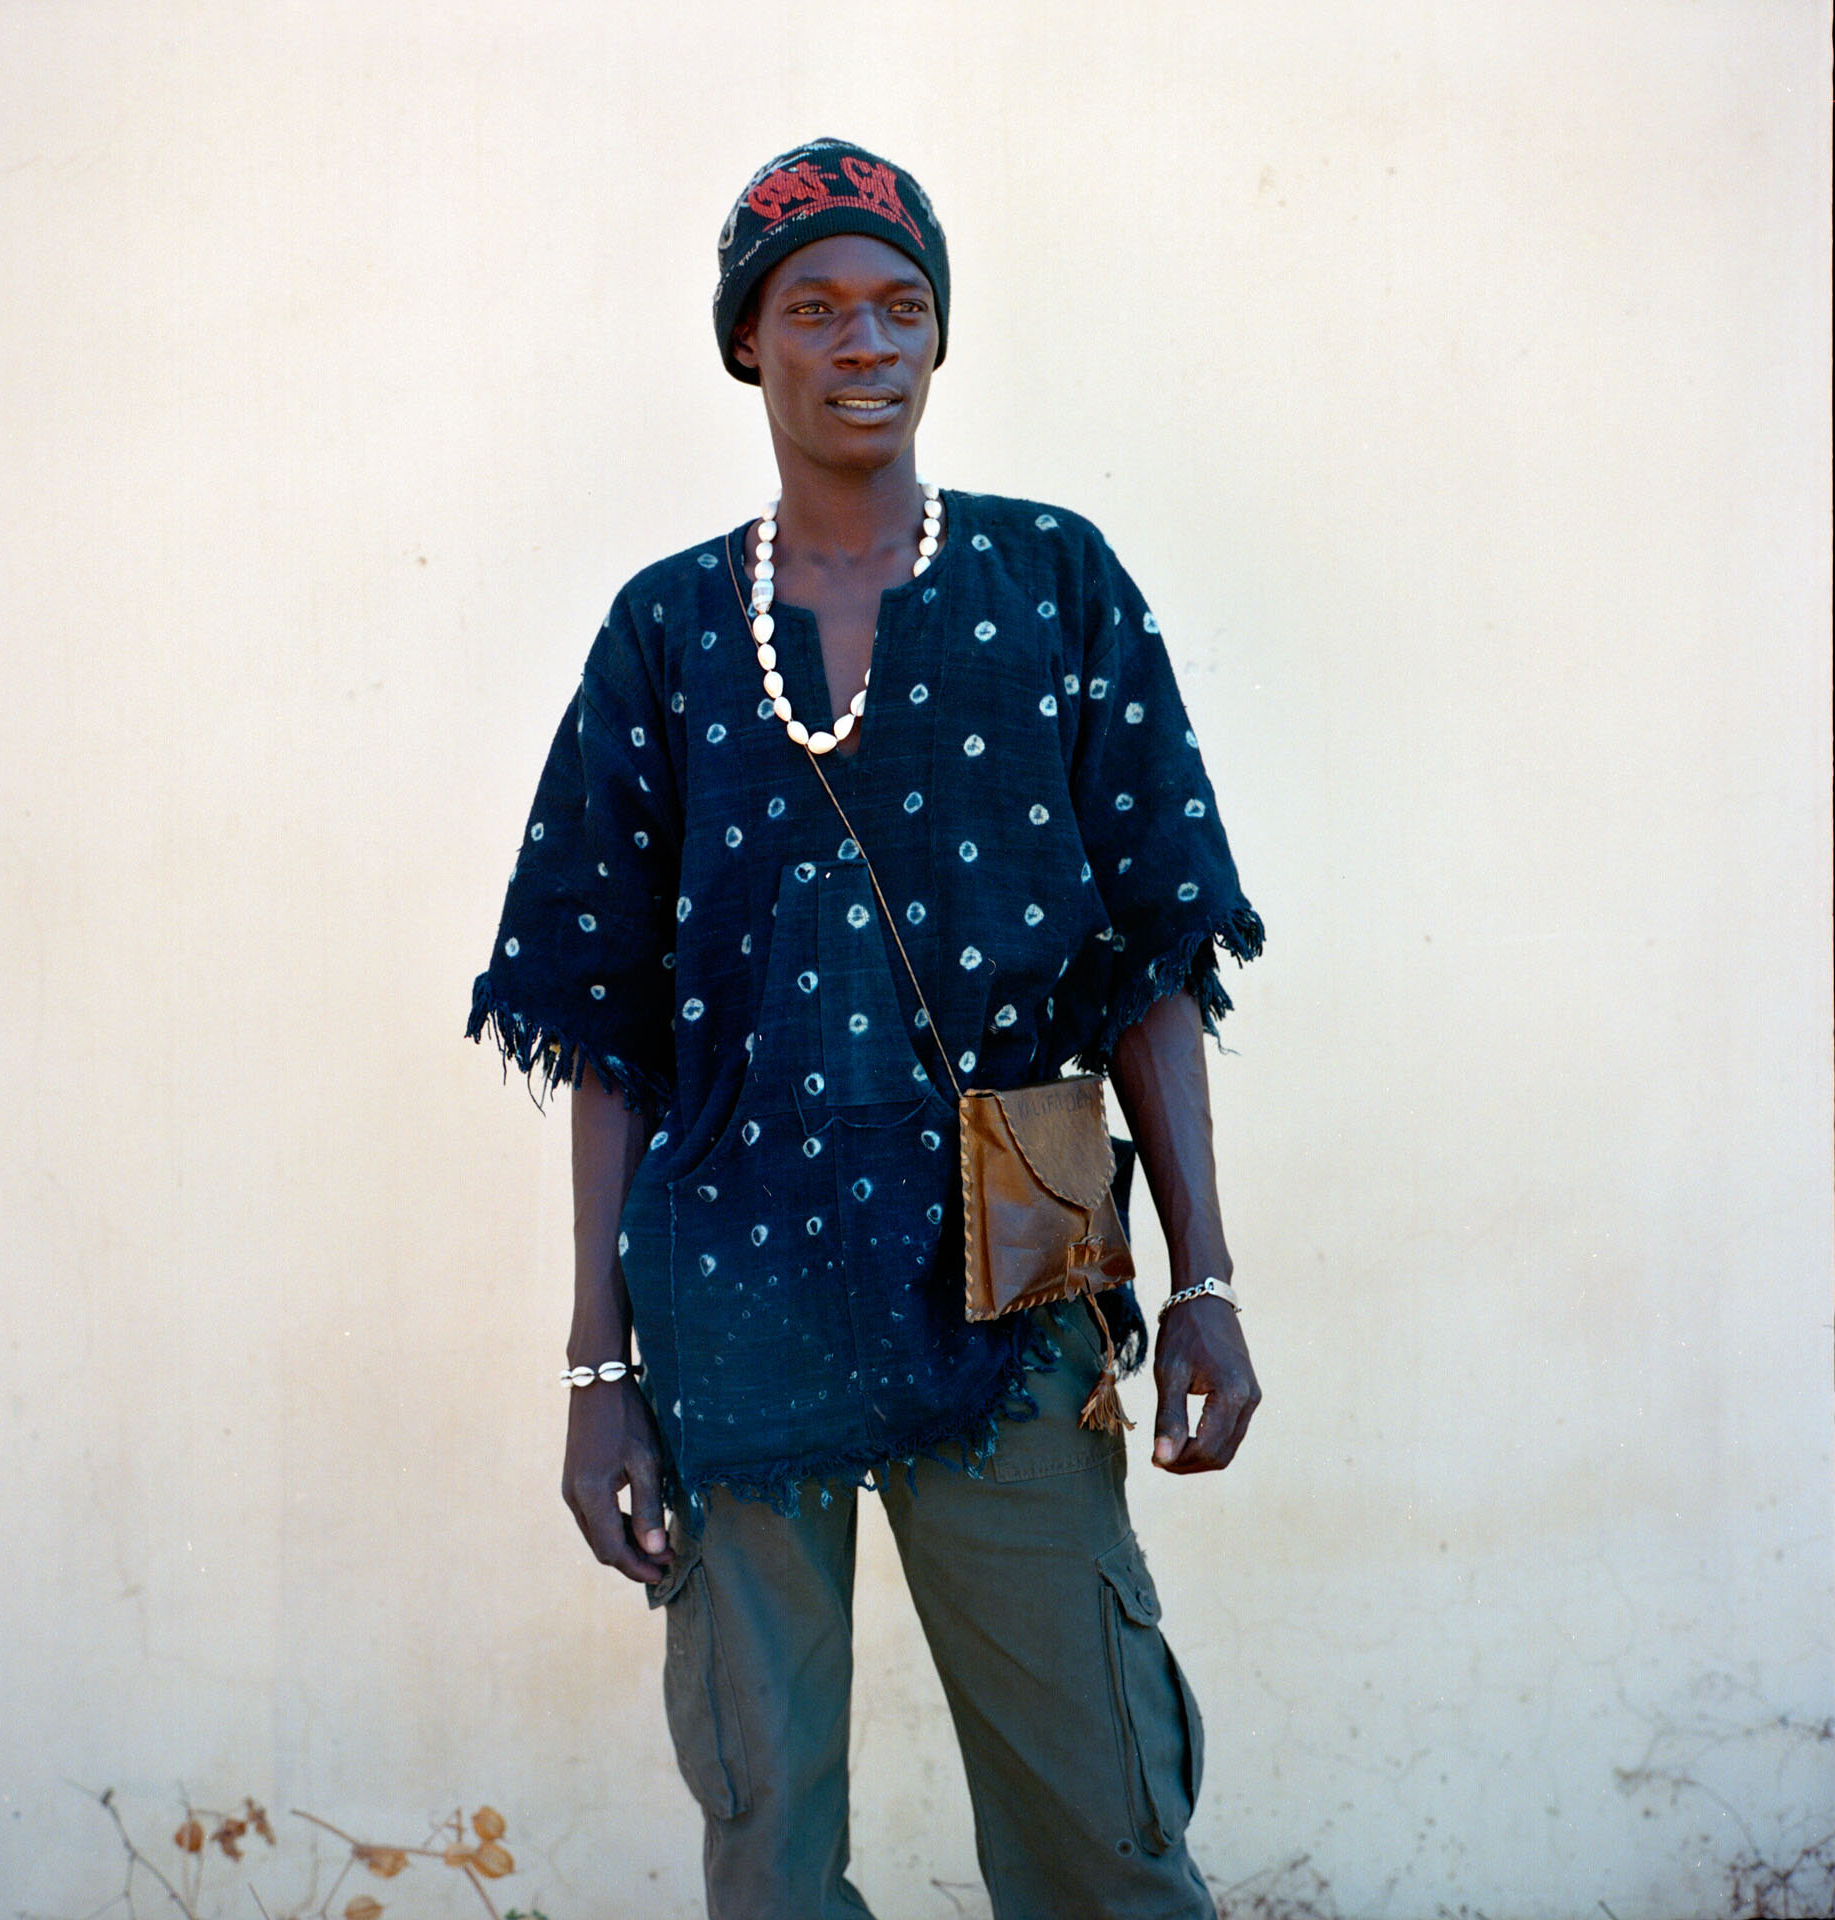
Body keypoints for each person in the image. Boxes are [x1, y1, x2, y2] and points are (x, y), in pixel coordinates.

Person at [468, 138, 1265, 1920]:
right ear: (747, 343)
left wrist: (1205, 1273)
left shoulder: (1054, 585)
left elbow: (1150, 956)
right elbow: (599, 1028)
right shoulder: (667, 634)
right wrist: (599, 1374)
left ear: (942, 339)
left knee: (1102, 1815)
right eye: (815, 308)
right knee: (771, 1836)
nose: (865, 343)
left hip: (1017, 1280)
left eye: (902, 306)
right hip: (733, 1310)